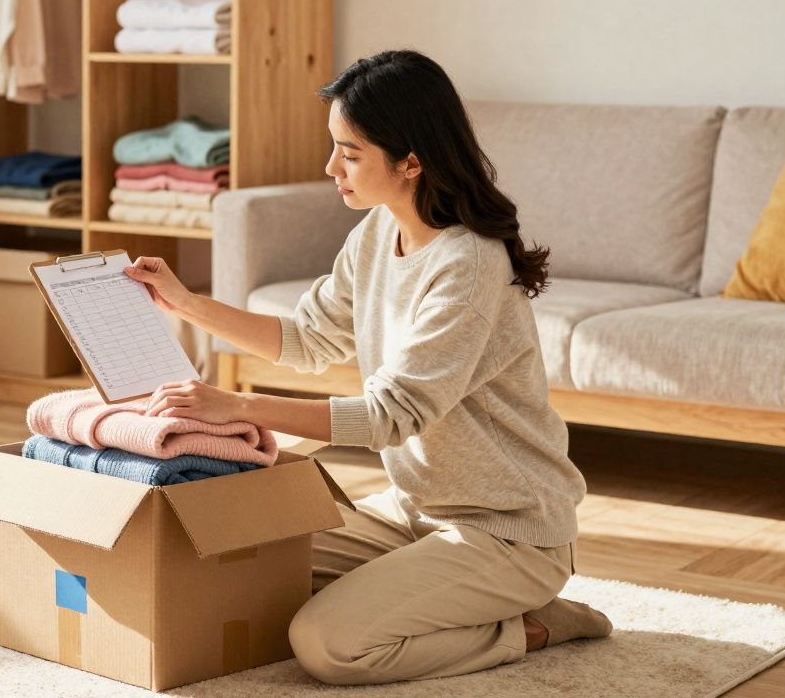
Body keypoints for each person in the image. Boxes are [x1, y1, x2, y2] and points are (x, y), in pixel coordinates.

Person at [123, 49, 613, 686]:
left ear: (411, 161)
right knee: (249, 575)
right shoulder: (379, 232)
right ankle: (456, 597)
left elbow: (391, 415)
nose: (331, 167)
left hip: (508, 532)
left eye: (349, 153)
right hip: (412, 510)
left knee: (328, 645)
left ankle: (533, 625)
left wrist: (237, 406)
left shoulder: (469, 265)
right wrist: (187, 303)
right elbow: (308, 338)